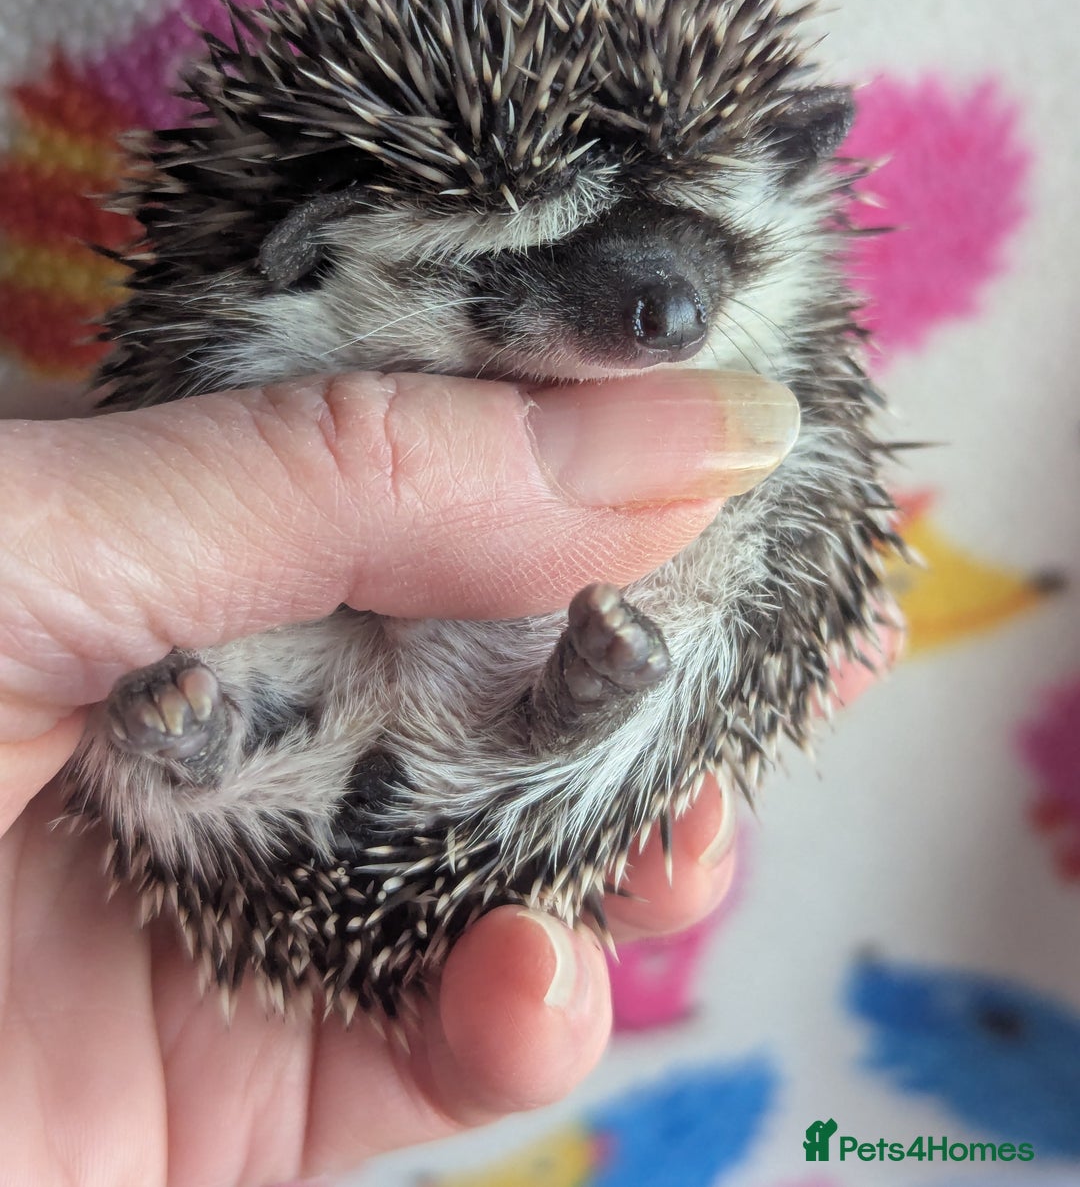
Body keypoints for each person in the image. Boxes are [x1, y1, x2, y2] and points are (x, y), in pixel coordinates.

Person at [0, 367, 886, 1185]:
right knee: (598, 755)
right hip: (429, 711)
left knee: (630, 736)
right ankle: (553, 716)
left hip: (320, 735)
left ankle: (217, 753)